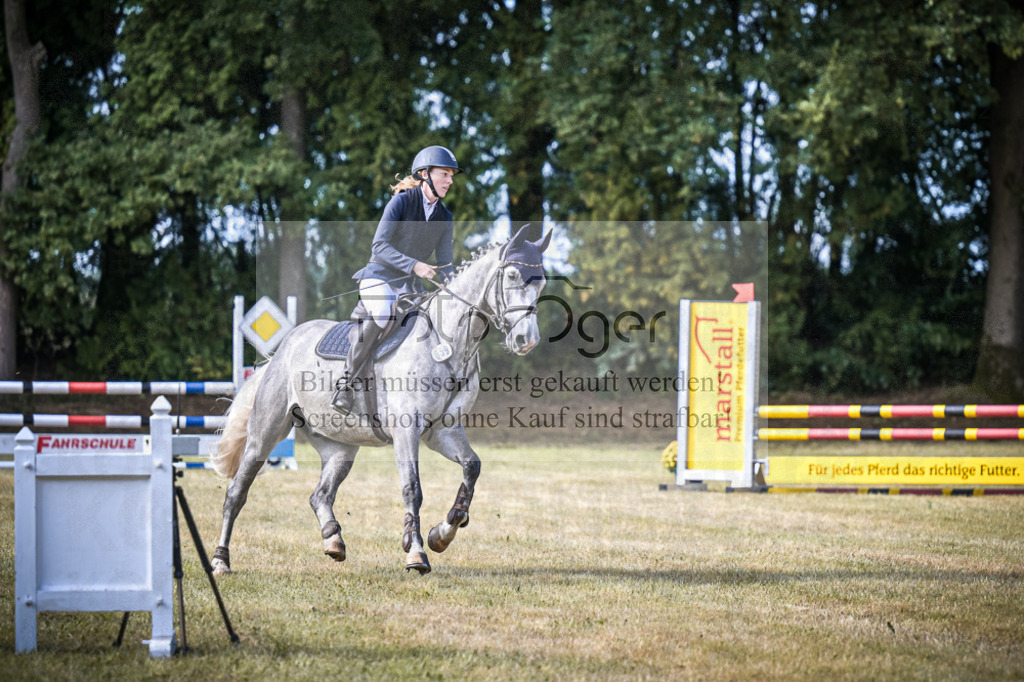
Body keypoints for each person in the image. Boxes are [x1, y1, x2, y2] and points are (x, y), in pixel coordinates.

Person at [331, 145, 462, 415]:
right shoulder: (402, 201)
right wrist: (415, 265)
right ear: (425, 174)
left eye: (452, 176)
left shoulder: (445, 217)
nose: (450, 180)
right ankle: (346, 383)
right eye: (445, 174)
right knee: (383, 312)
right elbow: (379, 246)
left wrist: (455, 288)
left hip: (409, 288)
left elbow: (446, 263)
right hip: (378, 277)